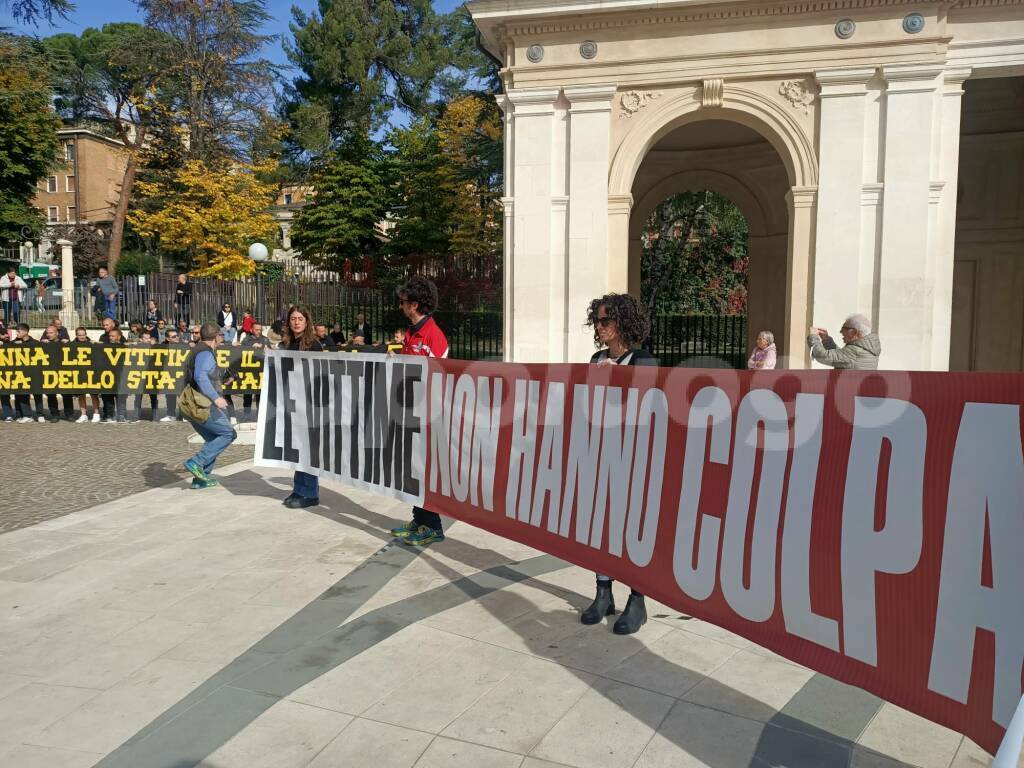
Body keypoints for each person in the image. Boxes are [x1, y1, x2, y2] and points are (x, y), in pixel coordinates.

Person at [576, 292, 657, 636]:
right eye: (597, 320)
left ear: (624, 321)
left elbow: (650, 408)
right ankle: (602, 592)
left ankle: (637, 599)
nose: (600, 326)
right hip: (602, 453)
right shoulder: (596, 358)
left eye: (606, 319)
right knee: (600, 525)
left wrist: (620, 381)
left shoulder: (643, 360)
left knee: (633, 529)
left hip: (635, 457)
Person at [388, 277, 449, 547]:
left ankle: (433, 525)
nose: (400, 306)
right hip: (411, 408)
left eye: (402, 302)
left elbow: (438, 374)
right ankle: (419, 517)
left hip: (428, 412)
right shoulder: (412, 331)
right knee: (412, 469)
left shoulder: (433, 336)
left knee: (425, 470)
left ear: (414, 304)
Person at [181, 322, 236, 489]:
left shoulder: (198, 350)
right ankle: (196, 462)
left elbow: (204, 374)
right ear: (216, 337)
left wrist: (223, 378)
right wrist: (216, 398)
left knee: (213, 438)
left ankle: (200, 479)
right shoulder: (205, 353)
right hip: (201, 404)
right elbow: (200, 376)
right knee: (228, 433)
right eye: (220, 336)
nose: (221, 339)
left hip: (190, 403)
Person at [281, 306, 323, 509]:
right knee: (298, 448)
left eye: (300, 319)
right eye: (293, 319)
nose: (296, 322)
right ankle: (299, 488)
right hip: (293, 402)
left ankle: (309, 492)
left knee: (307, 449)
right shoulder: (288, 343)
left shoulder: (313, 345)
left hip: (309, 403)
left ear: (307, 322)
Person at [808, 313, 881, 370]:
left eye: (844, 328)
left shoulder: (855, 352)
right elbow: (841, 357)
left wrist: (813, 337)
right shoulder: (866, 349)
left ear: (854, 332)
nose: (840, 331)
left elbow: (822, 356)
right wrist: (826, 340)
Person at [10, 324, 46, 423]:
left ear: (25, 332)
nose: (17, 333)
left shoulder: (35, 342)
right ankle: (26, 415)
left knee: (37, 394)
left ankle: (40, 414)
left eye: (19, 331)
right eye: (16, 331)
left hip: (34, 373)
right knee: (22, 393)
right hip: (21, 373)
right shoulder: (14, 342)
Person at [40, 325, 73, 421]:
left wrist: (69, 343)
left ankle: (69, 414)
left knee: (66, 394)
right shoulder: (44, 344)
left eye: (51, 333)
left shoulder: (64, 343)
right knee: (51, 394)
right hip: (49, 373)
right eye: (47, 333)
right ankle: (55, 414)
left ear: (57, 333)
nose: (48, 335)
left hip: (63, 372)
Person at [71, 327, 101, 423]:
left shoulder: (91, 344)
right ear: (76, 335)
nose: (82, 337)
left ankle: (96, 414)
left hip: (91, 372)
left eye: (83, 335)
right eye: (80, 335)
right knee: (81, 395)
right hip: (79, 373)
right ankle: (83, 414)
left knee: (93, 394)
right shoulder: (71, 345)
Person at [101, 327, 129, 423]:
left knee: (121, 396)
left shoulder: (125, 347)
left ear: (119, 337)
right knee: (108, 396)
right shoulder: (105, 347)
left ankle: (121, 415)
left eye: (113, 336)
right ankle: (109, 415)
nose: (110, 338)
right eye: (110, 336)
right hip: (108, 375)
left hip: (121, 375)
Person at [239, 321, 266, 420]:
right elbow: (240, 352)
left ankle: (260, 415)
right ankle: (247, 414)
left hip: (261, 372)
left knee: (260, 395)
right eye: (256, 329)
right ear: (251, 330)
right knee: (247, 394)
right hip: (249, 371)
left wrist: (263, 347)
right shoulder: (246, 340)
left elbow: (271, 351)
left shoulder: (265, 340)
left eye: (260, 329)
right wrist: (251, 347)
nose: (259, 331)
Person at [159, 328, 185, 422]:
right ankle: (171, 415)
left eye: (177, 335)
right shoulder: (162, 347)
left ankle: (185, 415)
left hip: (180, 375)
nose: (177, 337)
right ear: (168, 338)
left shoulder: (183, 345)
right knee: (170, 396)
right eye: (174, 336)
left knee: (182, 396)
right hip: (168, 375)